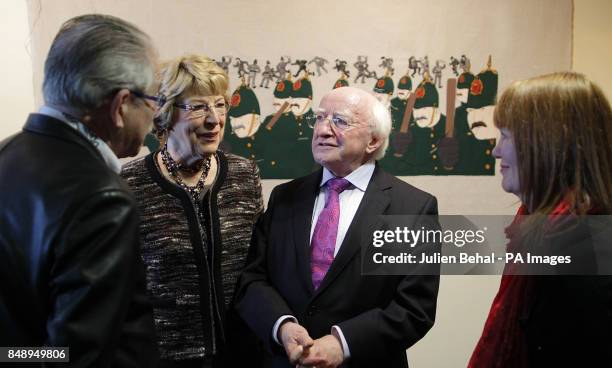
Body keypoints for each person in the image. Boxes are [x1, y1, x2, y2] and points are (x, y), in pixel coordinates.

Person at [236, 86, 440, 368]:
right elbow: (253, 280)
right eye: (319, 118)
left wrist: (343, 343)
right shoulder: (284, 197)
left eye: (339, 121)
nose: (322, 130)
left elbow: (414, 308)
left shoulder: (413, 208)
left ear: (373, 140)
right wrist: (282, 326)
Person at [0, 14, 159, 366]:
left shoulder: (6, 154)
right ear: (120, 106)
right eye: (152, 99)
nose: (155, 115)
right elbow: (71, 355)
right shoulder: (102, 197)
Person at [121, 54, 264, 368]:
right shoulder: (130, 183)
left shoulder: (244, 175)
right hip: (164, 358)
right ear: (167, 113)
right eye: (199, 107)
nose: (214, 119)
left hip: (242, 355)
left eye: (220, 104)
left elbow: (259, 269)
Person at [469, 71, 612, 367]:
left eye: (506, 136)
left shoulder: (591, 251)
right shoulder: (542, 232)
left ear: (550, 143)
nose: (496, 150)